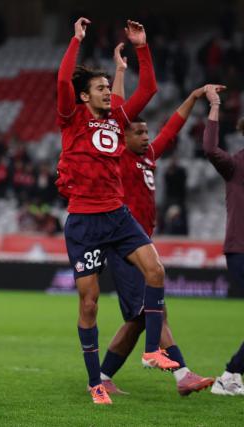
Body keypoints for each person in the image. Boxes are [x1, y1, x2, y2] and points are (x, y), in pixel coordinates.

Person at [56, 18, 177, 405]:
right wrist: (76, 41)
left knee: (156, 271)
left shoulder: (118, 119)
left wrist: (142, 47)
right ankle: (96, 383)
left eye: (110, 88)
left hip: (118, 215)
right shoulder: (71, 120)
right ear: (84, 96)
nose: (108, 93)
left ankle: (152, 351)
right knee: (89, 303)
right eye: (101, 88)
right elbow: (62, 82)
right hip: (84, 223)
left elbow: (150, 88)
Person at [99, 43, 219, 396]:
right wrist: (120, 71)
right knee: (155, 313)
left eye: (147, 132)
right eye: (139, 131)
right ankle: (183, 375)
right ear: (123, 135)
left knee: (138, 320)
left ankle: (103, 378)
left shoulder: (148, 156)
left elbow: (173, 127)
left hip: (141, 244)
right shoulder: (117, 154)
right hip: (124, 246)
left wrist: (195, 97)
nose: (147, 136)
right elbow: (117, 111)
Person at [202, 86, 244, 396]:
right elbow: (210, 149)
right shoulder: (235, 165)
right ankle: (230, 375)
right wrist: (214, 106)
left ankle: (232, 375)